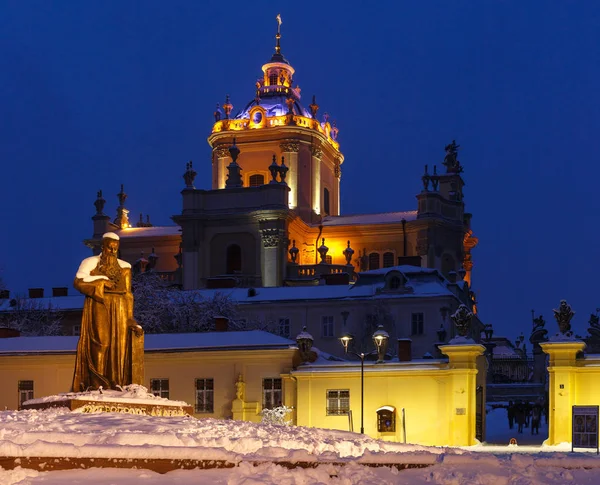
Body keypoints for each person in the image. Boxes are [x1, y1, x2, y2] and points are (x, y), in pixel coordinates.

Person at [72, 232, 144, 391]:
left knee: (118, 345)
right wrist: (102, 282)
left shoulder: (125, 267)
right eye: (109, 248)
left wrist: (130, 317)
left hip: (120, 308)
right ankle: (96, 383)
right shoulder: (91, 263)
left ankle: (115, 382)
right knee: (101, 342)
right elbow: (78, 282)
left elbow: (128, 294)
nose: (112, 251)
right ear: (102, 247)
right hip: (100, 303)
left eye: (115, 248)